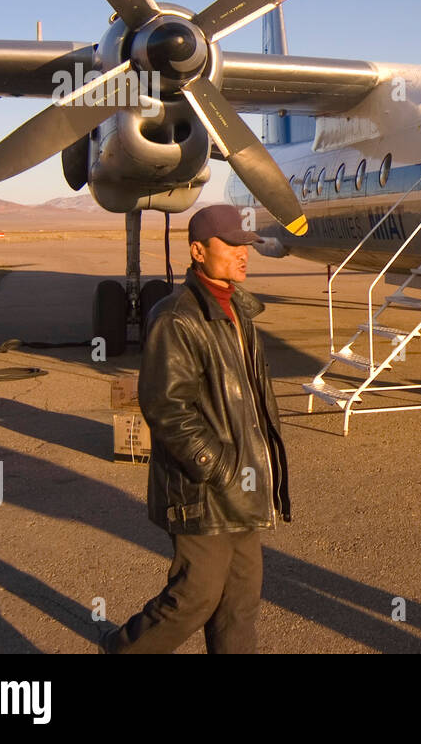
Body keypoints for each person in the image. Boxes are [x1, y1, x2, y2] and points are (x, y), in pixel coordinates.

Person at [102, 205, 291, 653]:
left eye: (247, 246)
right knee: (195, 596)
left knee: (239, 602)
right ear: (198, 251)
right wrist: (219, 465)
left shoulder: (239, 311)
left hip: (243, 482)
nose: (244, 254)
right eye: (232, 245)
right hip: (202, 486)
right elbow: (166, 406)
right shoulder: (176, 317)